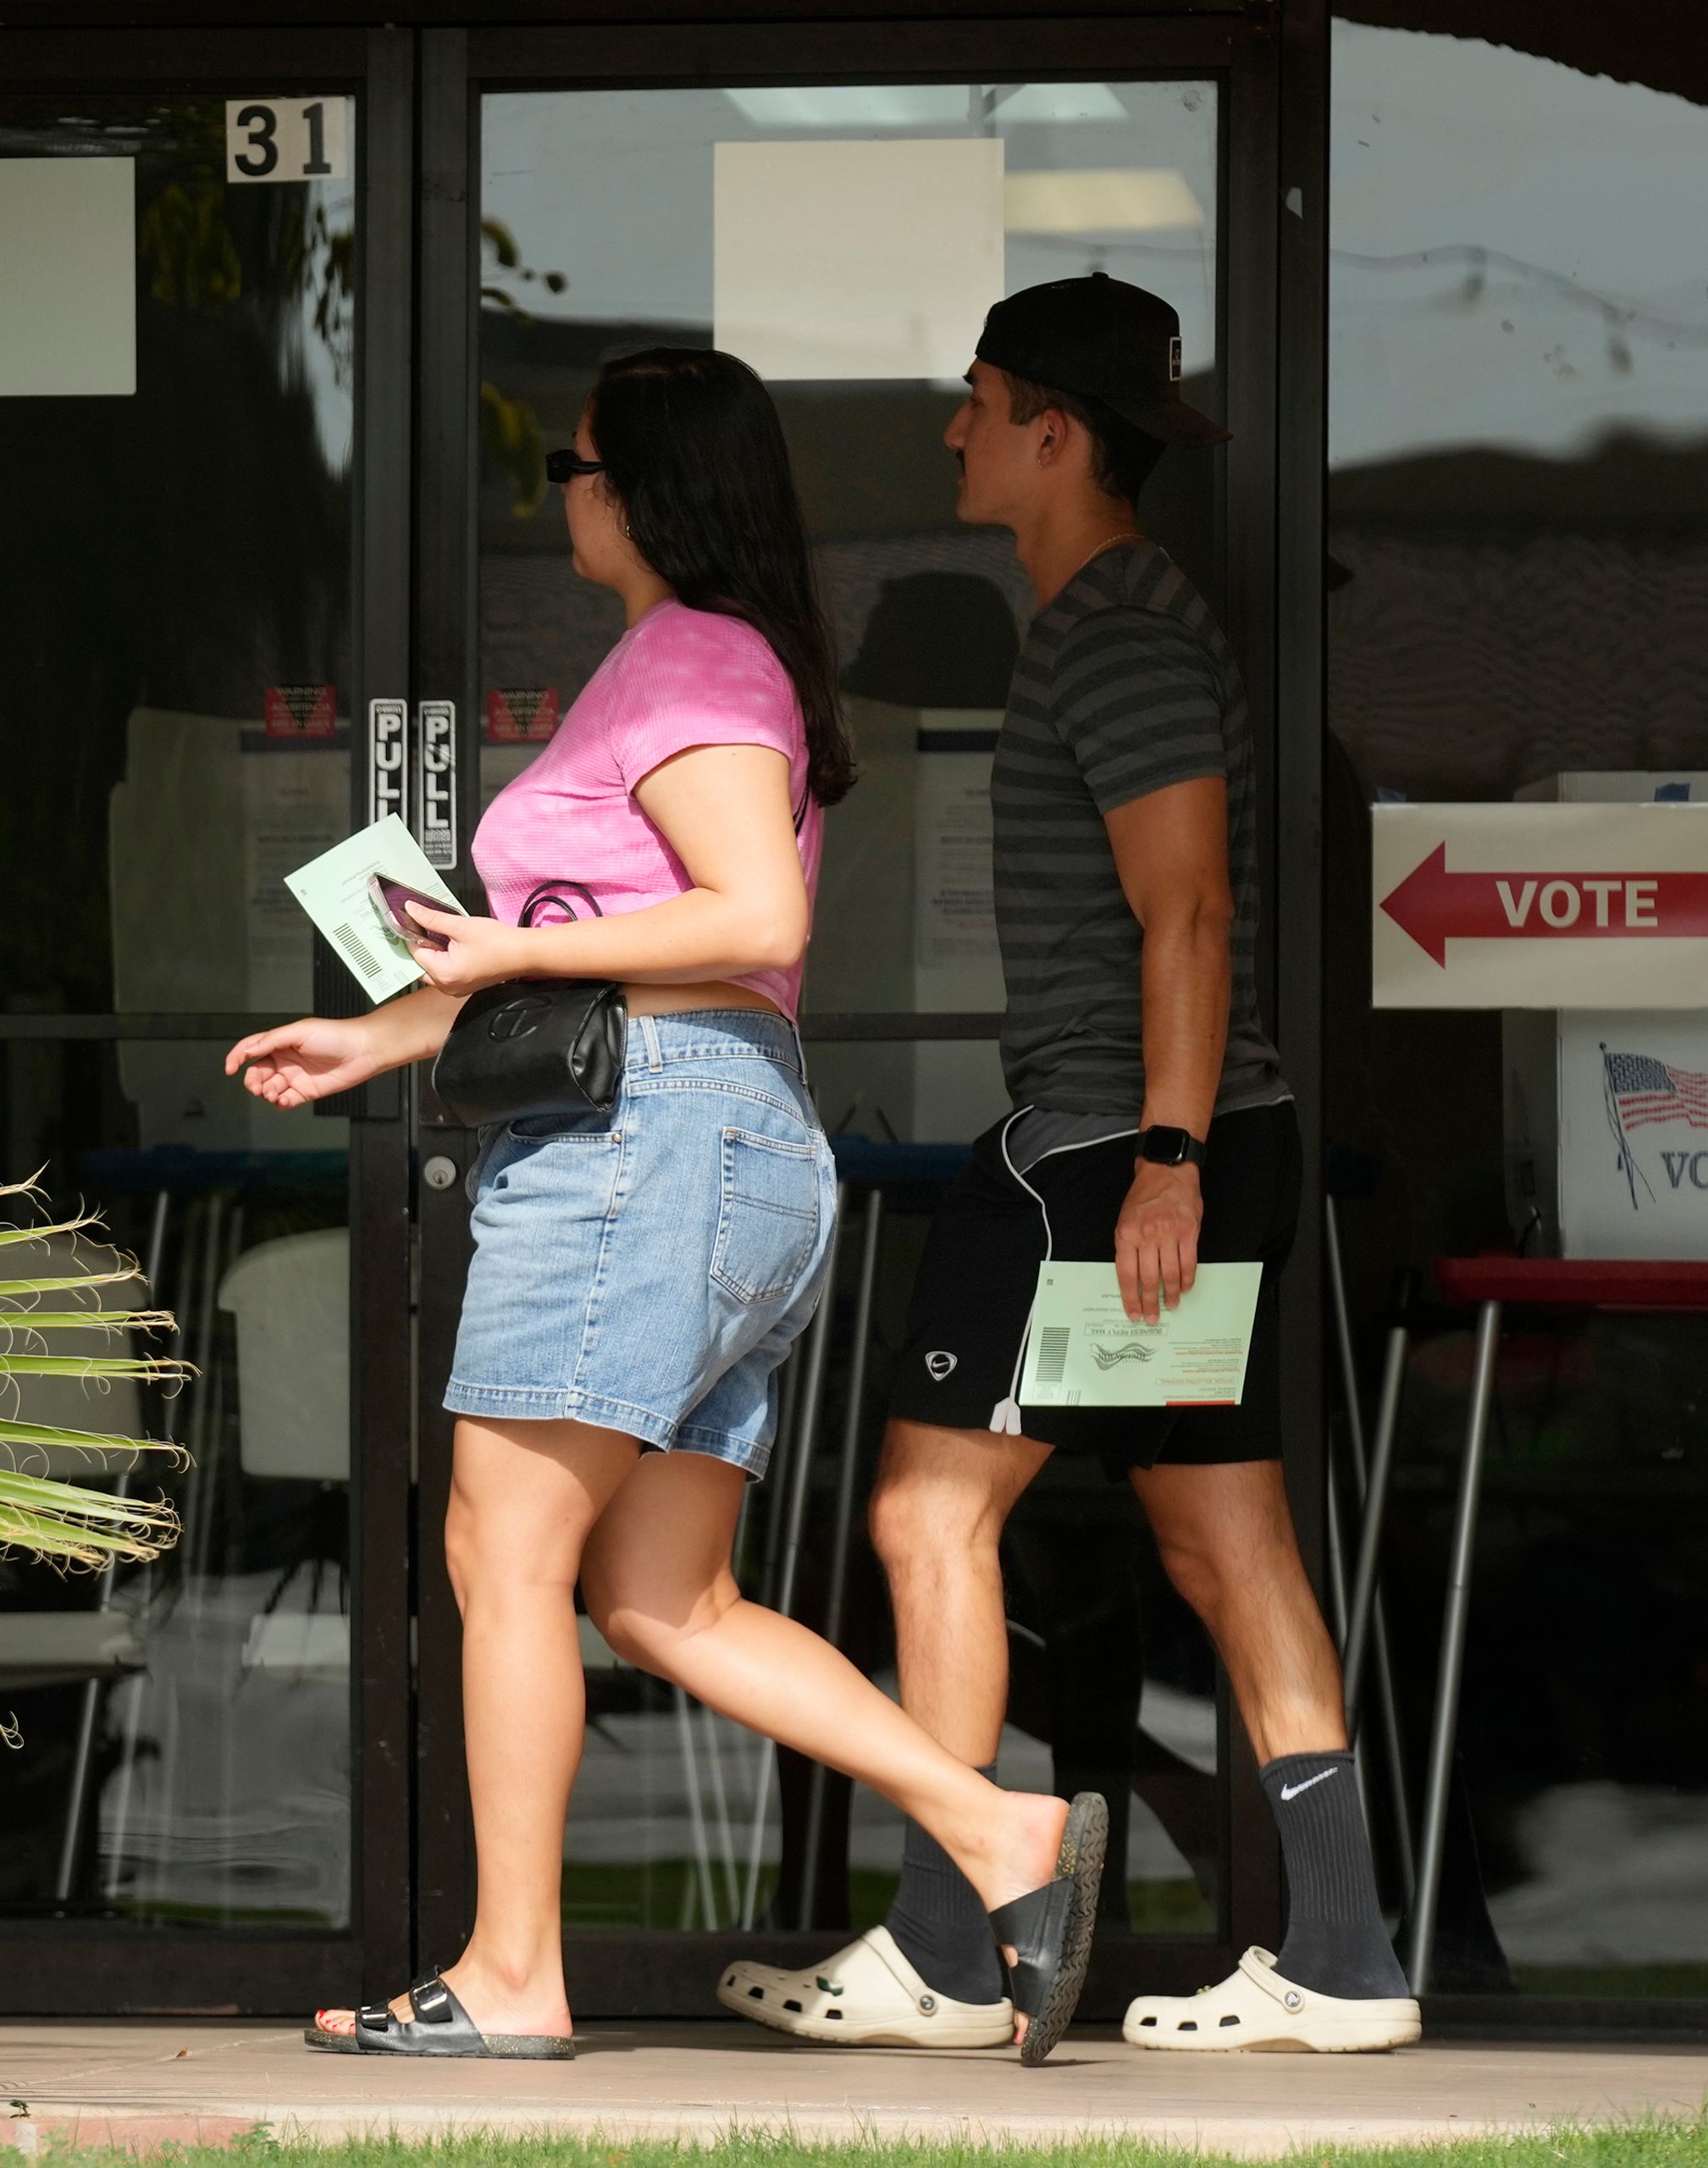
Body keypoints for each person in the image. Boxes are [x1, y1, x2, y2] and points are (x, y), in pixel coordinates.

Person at [229, 347, 1108, 2066]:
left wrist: (515, 943)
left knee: (504, 1551)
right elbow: (596, 955)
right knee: (663, 1598)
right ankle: (1000, 1827)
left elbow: (749, 913)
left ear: (633, 487)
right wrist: (382, 1032)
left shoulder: (694, 657)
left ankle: (508, 1973)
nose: (556, 493)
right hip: (705, 1136)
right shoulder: (684, 662)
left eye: (567, 466)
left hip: (647, 1140)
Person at [717, 275, 1422, 2056]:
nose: (951, 430)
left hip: (1114, 1147)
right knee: (1224, 1532)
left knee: (928, 1511)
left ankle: (959, 1948)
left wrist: (1166, 1157)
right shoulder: (1115, 621)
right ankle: (1341, 1958)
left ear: (1054, 428)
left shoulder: (1115, 632)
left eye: (975, 400)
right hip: (1166, 1135)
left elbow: (1184, 909)